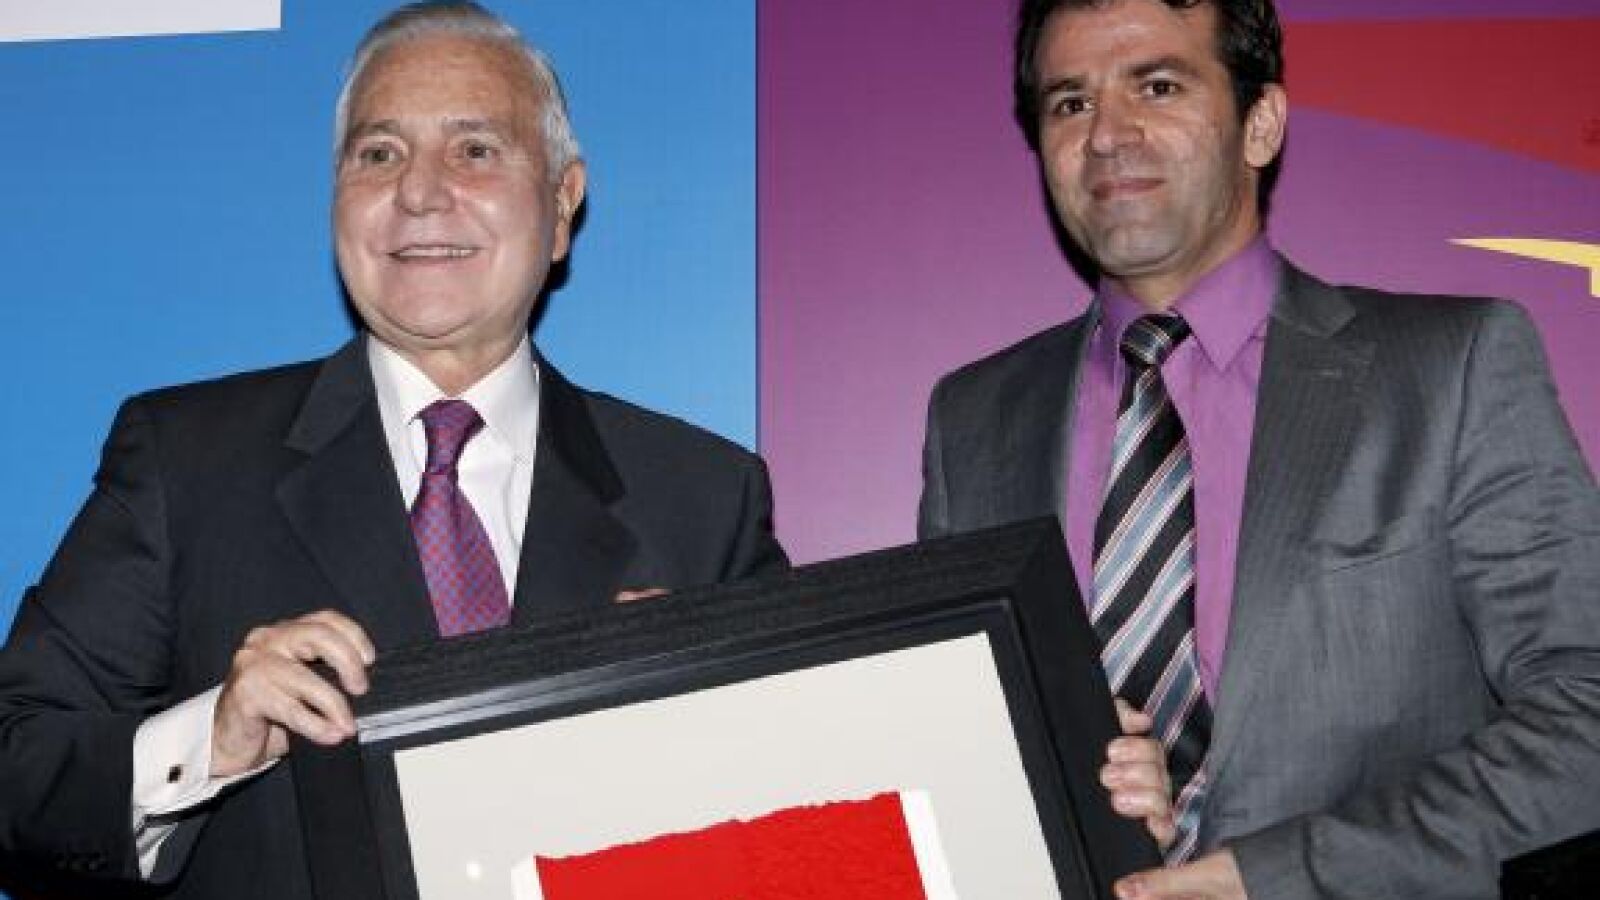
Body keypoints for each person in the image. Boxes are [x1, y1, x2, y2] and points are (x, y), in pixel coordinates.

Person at [0, 3, 785, 896]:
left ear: (564, 202)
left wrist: (711, 733)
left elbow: (811, 807)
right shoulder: (186, 462)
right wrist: (208, 739)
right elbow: (17, 757)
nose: (419, 192)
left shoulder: (704, 496)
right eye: (378, 154)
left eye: (475, 149)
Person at [917, 0, 1600, 897]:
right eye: (1070, 103)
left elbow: (1587, 714)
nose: (1108, 135)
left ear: (1262, 123)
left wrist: (1267, 878)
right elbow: (951, 756)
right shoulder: (972, 422)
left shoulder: (1452, 369)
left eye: (1158, 86)